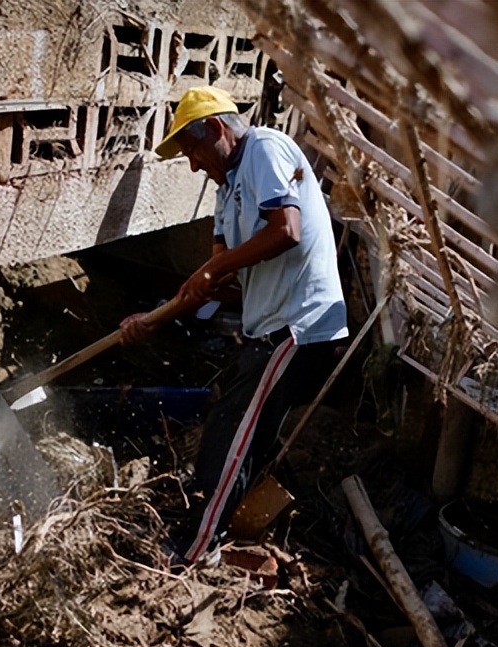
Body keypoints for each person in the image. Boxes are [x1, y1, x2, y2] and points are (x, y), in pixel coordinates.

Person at [118, 86, 348, 564]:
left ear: (218, 129)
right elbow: (222, 281)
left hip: (297, 322)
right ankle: (238, 531)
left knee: (229, 428)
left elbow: (287, 229)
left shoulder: (263, 147)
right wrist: (154, 318)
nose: (194, 165)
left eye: (193, 150)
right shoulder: (226, 194)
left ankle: (194, 545)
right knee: (251, 433)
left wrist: (210, 272)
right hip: (267, 323)